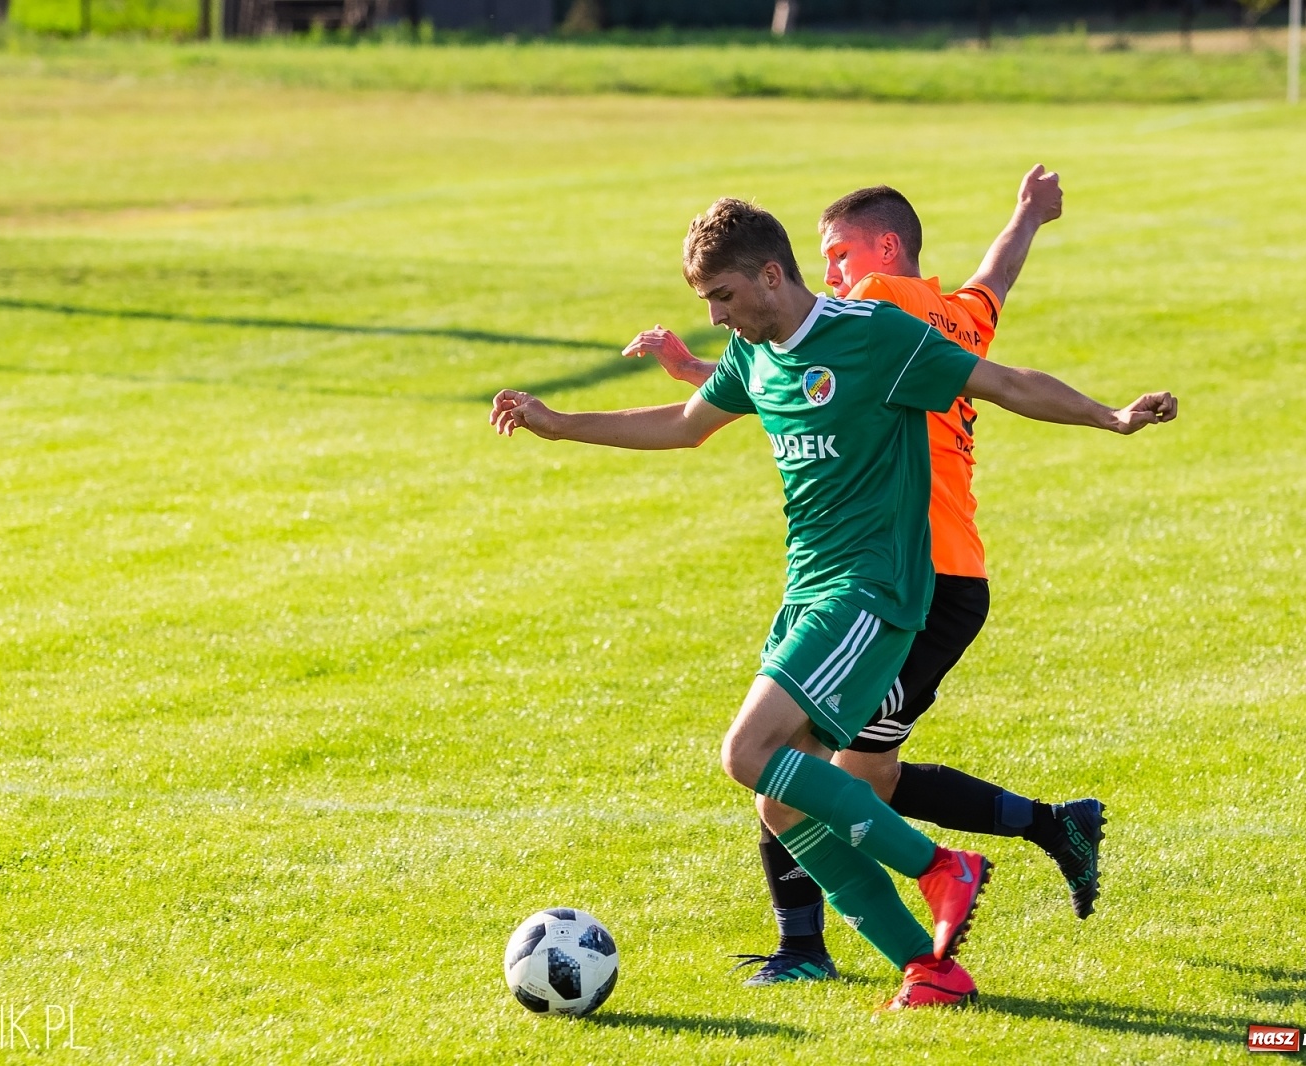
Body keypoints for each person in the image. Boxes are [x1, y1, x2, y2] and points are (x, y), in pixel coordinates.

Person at [490, 198, 1176, 1010]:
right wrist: (559, 424)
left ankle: (940, 868)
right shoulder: (755, 356)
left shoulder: (871, 335)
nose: (715, 315)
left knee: (746, 752)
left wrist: (1109, 416)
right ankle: (931, 970)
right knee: (780, 799)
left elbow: (1001, 380)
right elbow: (681, 426)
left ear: (771, 276)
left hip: (873, 587)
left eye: (724, 297)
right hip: (808, 589)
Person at [623, 168, 1108, 989]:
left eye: (838, 254)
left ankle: (917, 887)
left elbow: (836, 342)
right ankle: (931, 952)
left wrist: (1109, 415)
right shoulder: (951, 315)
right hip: (902, 577)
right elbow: (986, 283)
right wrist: (1026, 214)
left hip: (903, 579)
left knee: (818, 769)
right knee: (812, 786)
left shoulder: (885, 308)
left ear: (887, 251)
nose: (834, 270)